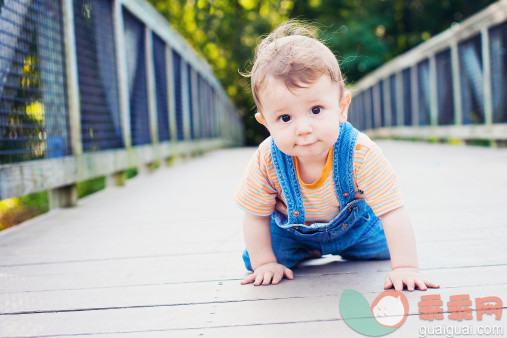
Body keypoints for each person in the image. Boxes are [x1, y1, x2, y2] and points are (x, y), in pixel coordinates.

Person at [234, 20, 439, 291]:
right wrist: (264, 264)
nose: (304, 129)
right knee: (257, 257)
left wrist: (405, 268)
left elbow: (392, 210)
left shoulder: (359, 152)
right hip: (293, 234)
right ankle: (310, 250)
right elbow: (255, 216)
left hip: (356, 230)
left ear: (342, 107)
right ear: (265, 124)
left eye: (316, 110)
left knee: (386, 246)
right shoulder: (266, 160)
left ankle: (337, 249)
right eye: (285, 117)